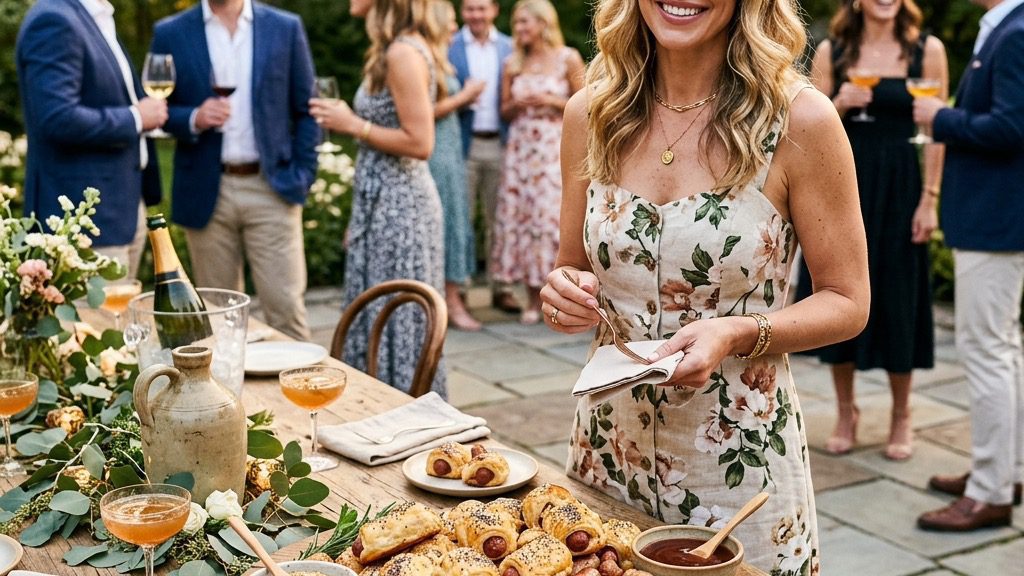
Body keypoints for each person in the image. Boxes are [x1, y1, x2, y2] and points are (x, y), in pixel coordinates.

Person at [541, 0, 870, 571]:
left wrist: (741, 331)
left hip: (739, 472)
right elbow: (573, 265)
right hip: (605, 452)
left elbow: (849, 301)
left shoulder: (802, 121)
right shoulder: (590, 113)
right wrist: (563, 294)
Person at [801, 0, 946, 461]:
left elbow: (936, 130)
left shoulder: (928, 50)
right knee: (835, 295)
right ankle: (847, 412)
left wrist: (930, 198)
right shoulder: (833, 50)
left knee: (899, 299)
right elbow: (807, 129)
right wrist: (839, 103)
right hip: (842, 187)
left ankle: (902, 415)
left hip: (902, 188)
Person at [913, 0, 1024, 532]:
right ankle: (1004, 470)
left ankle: (990, 492)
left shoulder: (1018, 30)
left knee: (987, 349)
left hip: (995, 220)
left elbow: (1011, 126)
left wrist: (941, 117)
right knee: (1004, 347)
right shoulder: (1003, 27)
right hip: (993, 217)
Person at [150, 0, 318, 341]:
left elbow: (307, 110)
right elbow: (156, 107)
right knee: (216, 317)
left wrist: (302, 175)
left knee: (286, 311)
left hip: (271, 187)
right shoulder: (170, 32)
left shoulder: (285, 27)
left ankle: (298, 391)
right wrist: (194, 117)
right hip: (205, 190)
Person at [311, 0, 447, 396]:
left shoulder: (403, 53)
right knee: (374, 315)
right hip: (380, 205)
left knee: (398, 322)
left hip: (401, 209)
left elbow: (421, 142)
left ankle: (401, 412)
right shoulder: (392, 49)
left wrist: (353, 124)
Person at [16, 0, 165, 279]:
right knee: (94, 321)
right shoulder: (54, 19)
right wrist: (135, 118)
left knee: (119, 318)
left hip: (123, 205)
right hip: (83, 222)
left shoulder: (96, 17)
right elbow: (58, 118)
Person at [490, 0, 584, 324]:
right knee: (523, 220)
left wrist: (550, 100)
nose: (518, 29)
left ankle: (564, 296)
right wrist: (517, 103)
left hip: (553, 149)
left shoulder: (567, 57)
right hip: (520, 151)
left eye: (524, 22)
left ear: (544, 23)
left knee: (551, 221)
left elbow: (587, 103)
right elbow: (502, 109)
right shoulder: (512, 62)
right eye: (516, 23)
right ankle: (532, 298)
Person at [449, 0, 521, 314]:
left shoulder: (510, 46)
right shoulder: (449, 45)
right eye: (469, 9)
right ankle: (460, 287)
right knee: (461, 218)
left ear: (494, 10)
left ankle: (501, 286)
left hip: (500, 143)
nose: (475, 15)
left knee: (499, 219)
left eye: (481, 8)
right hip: (462, 144)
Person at [427, 0, 487, 332]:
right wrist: (465, 97)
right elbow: (422, 112)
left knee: (455, 222)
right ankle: (449, 302)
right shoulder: (426, 58)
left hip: (452, 149)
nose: (455, 27)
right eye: (450, 21)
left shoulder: (440, 55)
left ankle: (450, 299)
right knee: (446, 223)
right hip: (435, 151)